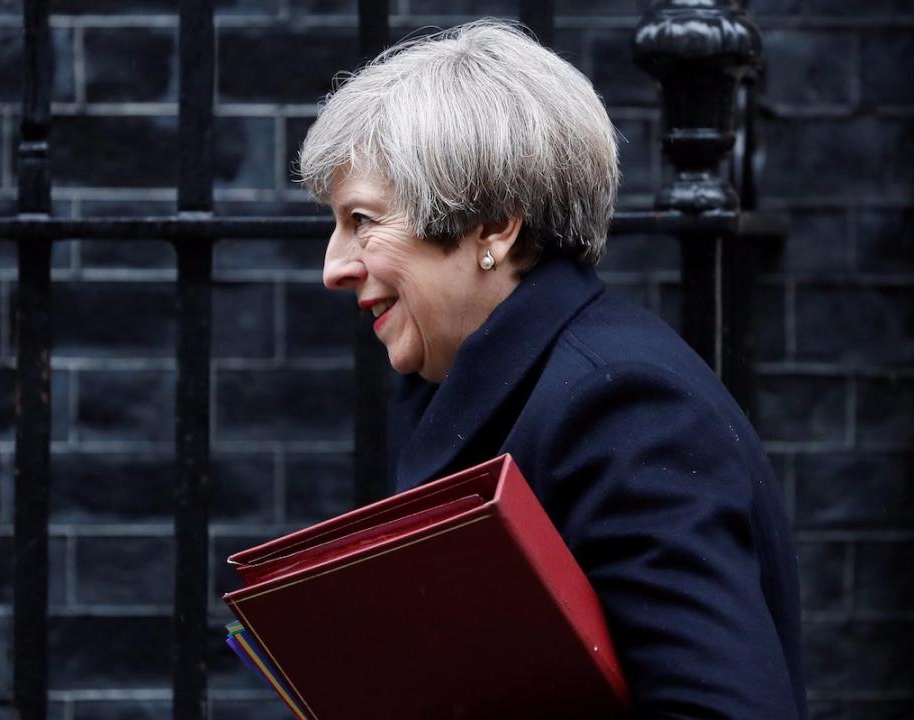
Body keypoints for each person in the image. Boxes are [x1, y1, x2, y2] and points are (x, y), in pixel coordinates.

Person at [299, 20, 807, 719]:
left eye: (362, 220)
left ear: (494, 226)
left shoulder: (622, 407)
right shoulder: (460, 382)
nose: (333, 267)